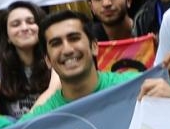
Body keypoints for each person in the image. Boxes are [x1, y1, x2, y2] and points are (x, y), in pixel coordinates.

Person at [23, 8, 158, 119]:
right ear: (48, 60)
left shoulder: (137, 85)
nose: (67, 50)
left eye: (74, 38)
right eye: (56, 43)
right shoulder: (39, 121)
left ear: (94, 47)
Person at [0, 0, 54, 118]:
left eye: (31, 22)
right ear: (7, 37)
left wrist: (23, 126)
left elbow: (52, 91)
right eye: (16, 24)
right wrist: (6, 127)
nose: (24, 28)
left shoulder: (54, 56)